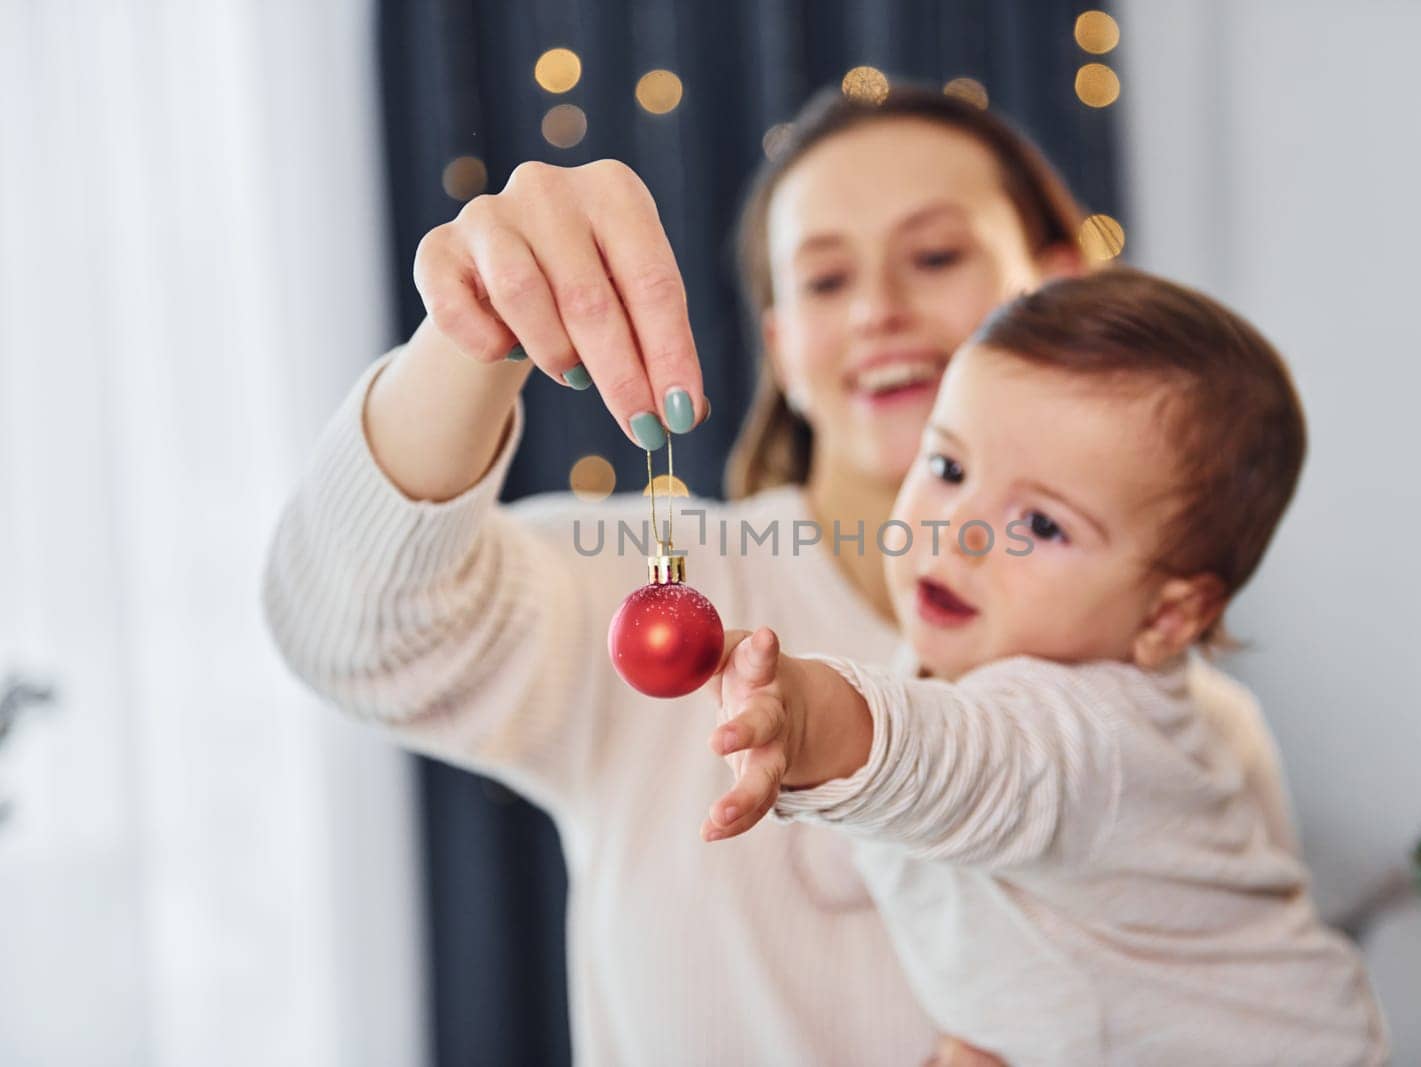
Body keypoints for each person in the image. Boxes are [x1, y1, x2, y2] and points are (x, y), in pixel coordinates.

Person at [261, 85, 1272, 1064]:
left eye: (934, 254)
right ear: (783, 347)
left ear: (1054, 290)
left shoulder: (1191, 727)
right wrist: (468, 336)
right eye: (825, 280)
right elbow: (351, 634)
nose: (878, 308)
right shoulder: (666, 593)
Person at [702, 269, 1391, 1065]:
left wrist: (812, 719)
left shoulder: (1095, 738)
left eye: (1039, 522)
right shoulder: (938, 664)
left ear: (1169, 616)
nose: (958, 531)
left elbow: (968, 760)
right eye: (950, 469)